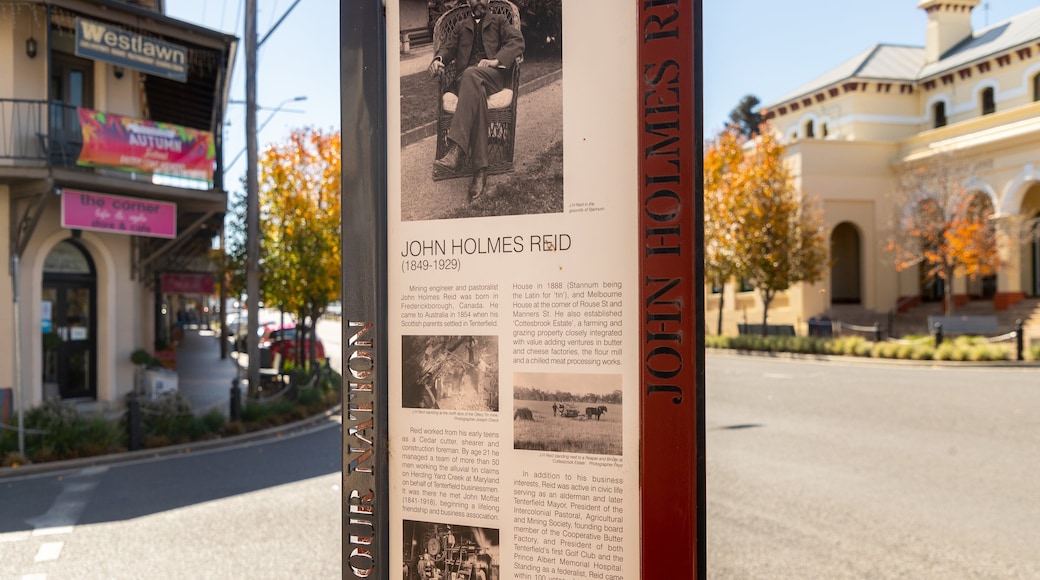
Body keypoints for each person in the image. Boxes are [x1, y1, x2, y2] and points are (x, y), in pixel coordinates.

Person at [428, 0, 525, 202]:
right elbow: (447, 48)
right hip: (466, 82)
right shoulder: (460, 26)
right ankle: (480, 171)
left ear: (488, 0)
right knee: (473, 84)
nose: (479, 0)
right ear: (468, 1)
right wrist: (438, 60)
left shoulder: (499, 21)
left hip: (493, 77)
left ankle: (457, 148)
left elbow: (517, 41)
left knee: (472, 74)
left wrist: (496, 61)